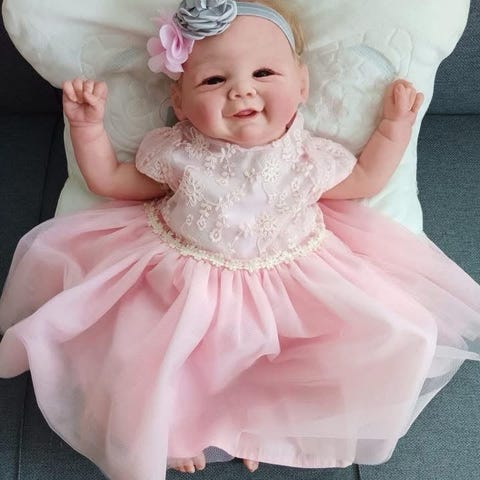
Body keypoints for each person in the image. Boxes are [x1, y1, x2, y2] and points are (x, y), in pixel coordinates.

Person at [0, 0, 479, 478]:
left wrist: (394, 127)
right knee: (145, 355)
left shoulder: (308, 158)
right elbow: (109, 181)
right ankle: (174, 431)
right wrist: (87, 127)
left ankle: (260, 427)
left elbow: (365, 181)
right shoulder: (177, 152)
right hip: (181, 282)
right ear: (179, 101)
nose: (241, 90)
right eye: (213, 80)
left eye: (264, 72)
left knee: (335, 350)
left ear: (303, 84)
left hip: (292, 287)